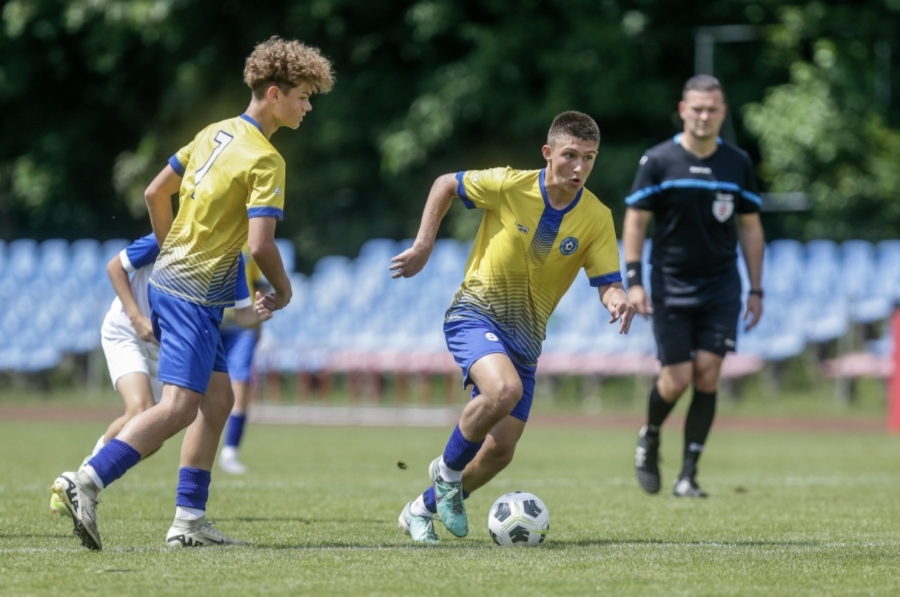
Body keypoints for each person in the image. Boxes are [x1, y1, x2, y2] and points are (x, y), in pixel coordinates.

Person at [50, 36, 334, 550]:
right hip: (191, 293)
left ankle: (188, 521)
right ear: (274, 93)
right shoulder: (266, 160)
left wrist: (172, 244)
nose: (308, 106)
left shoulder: (213, 133)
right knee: (180, 406)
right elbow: (261, 244)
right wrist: (284, 290)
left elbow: (155, 191)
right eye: (303, 96)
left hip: (180, 285)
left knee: (218, 400)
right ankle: (85, 481)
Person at [390, 111, 636, 543]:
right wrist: (424, 244)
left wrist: (617, 299)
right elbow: (445, 182)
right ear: (548, 153)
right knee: (504, 391)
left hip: (526, 341)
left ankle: (419, 510)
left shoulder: (596, 216)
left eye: (589, 158)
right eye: (570, 155)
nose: (579, 168)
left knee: (501, 450)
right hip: (474, 313)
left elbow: (608, 283)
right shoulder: (509, 184)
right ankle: (446, 473)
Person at [49, 234, 267, 516]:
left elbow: (243, 316)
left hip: (164, 343)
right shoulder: (171, 233)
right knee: (141, 410)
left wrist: (261, 311)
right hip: (127, 331)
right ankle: (81, 481)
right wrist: (137, 317)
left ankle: (80, 482)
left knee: (155, 433)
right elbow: (115, 267)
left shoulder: (232, 255)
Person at [623, 74, 765, 498]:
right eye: (696, 108)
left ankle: (688, 476)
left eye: (712, 109)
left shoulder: (737, 163)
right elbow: (635, 220)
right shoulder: (659, 160)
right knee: (677, 377)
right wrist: (633, 280)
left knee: (708, 375)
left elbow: (751, 228)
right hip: (670, 283)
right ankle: (649, 436)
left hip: (722, 285)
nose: (704, 116)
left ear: (723, 113)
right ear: (684, 111)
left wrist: (756, 289)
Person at [218, 245, 269, 475]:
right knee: (204, 390)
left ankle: (230, 452)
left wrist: (258, 327)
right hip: (212, 320)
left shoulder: (254, 240)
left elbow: (258, 283)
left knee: (240, 384)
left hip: (242, 326)